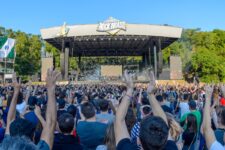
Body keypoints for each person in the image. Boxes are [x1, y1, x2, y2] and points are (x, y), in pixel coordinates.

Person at [115, 70, 178, 150]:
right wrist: (150, 94)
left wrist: (130, 89)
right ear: (165, 138)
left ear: (139, 141)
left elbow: (119, 120)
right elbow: (163, 121)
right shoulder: (171, 148)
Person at [0, 68, 60, 150]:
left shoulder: (4, 145)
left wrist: (16, 91)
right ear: (33, 137)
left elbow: (10, 119)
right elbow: (50, 124)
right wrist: (51, 89)